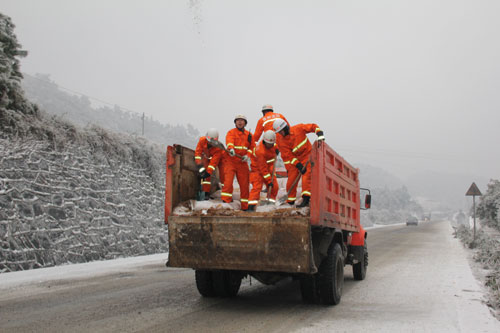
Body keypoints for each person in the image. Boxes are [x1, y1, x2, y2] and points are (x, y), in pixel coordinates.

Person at [273, 119, 325, 207]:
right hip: (295, 160)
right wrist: (298, 164)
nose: (281, 133)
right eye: (279, 132)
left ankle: (306, 199)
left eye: (281, 131)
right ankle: (290, 201)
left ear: (286, 127)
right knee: (291, 180)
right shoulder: (280, 140)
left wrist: (319, 134)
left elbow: (313, 126)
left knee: (306, 177)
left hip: (307, 156)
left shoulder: (299, 128)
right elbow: (287, 155)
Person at [221, 115, 255, 210]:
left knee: (244, 185)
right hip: (230, 161)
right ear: (235, 122)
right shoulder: (231, 132)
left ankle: (245, 207)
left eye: (242, 121)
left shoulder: (249, 135)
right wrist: (231, 148)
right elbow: (229, 141)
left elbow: (252, 147)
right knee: (228, 182)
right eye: (238, 121)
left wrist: (247, 155)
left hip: (242, 162)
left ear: (245, 123)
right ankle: (226, 201)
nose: (240, 122)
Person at [247, 130, 279, 211]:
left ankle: (270, 202)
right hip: (257, 169)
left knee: (274, 187)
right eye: (269, 144)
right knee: (257, 187)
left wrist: (277, 149)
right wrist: (269, 181)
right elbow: (263, 169)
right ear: (264, 141)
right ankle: (251, 206)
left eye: (271, 144)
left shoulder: (272, 144)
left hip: (269, 167)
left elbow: (276, 145)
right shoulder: (260, 151)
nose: (270, 145)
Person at [194, 128, 226, 200]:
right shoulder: (202, 140)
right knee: (206, 177)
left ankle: (226, 195)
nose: (210, 143)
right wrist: (199, 165)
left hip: (221, 160)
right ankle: (206, 193)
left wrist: (208, 172)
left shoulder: (219, 148)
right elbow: (198, 153)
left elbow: (214, 162)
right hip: (207, 157)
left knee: (224, 176)